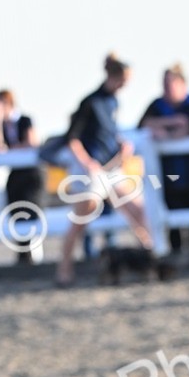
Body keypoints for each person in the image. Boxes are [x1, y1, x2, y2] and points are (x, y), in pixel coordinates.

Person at [56, 53, 152, 286]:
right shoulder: (91, 102)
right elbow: (73, 138)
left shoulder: (113, 102)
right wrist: (88, 163)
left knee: (137, 210)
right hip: (92, 171)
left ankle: (149, 257)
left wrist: (121, 144)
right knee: (82, 218)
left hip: (112, 169)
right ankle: (64, 268)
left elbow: (106, 132)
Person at [139, 64, 189, 254]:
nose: (167, 89)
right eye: (165, 84)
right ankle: (175, 259)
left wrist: (163, 131)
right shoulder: (157, 105)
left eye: (171, 84)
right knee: (171, 222)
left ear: (182, 84)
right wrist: (173, 122)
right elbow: (143, 124)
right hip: (167, 175)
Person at [0, 89, 43, 263]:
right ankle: (22, 256)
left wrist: (11, 150)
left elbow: (31, 143)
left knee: (31, 213)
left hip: (31, 175)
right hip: (15, 175)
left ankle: (34, 255)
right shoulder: (0, 127)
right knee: (15, 213)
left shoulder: (24, 120)